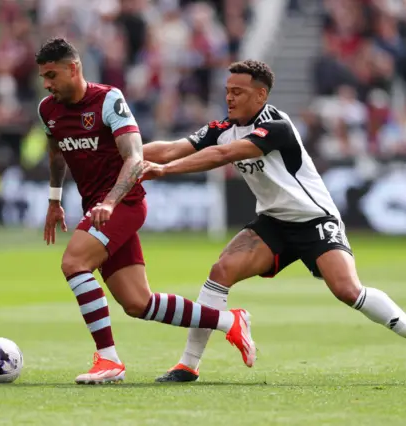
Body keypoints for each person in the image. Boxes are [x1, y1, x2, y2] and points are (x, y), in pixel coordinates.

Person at [142, 59, 406, 386]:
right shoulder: (222, 128)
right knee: (220, 271)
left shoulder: (276, 125)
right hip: (274, 223)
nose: (230, 98)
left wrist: (165, 171)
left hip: (314, 220)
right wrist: (125, 152)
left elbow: (225, 156)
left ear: (261, 94)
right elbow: (170, 148)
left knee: (348, 290)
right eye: (228, 91)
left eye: (238, 92)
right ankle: (188, 365)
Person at [36, 38, 255, 385]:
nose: (46, 84)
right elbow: (57, 152)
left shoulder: (108, 100)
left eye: (51, 75)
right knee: (138, 303)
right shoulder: (48, 109)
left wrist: (109, 201)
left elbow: (135, 157)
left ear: (73, 68)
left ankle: (108, 360)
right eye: (43, 77)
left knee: (74, 263)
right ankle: (230, 321)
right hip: (96, 207)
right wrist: (53, 200)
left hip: (124, 203)